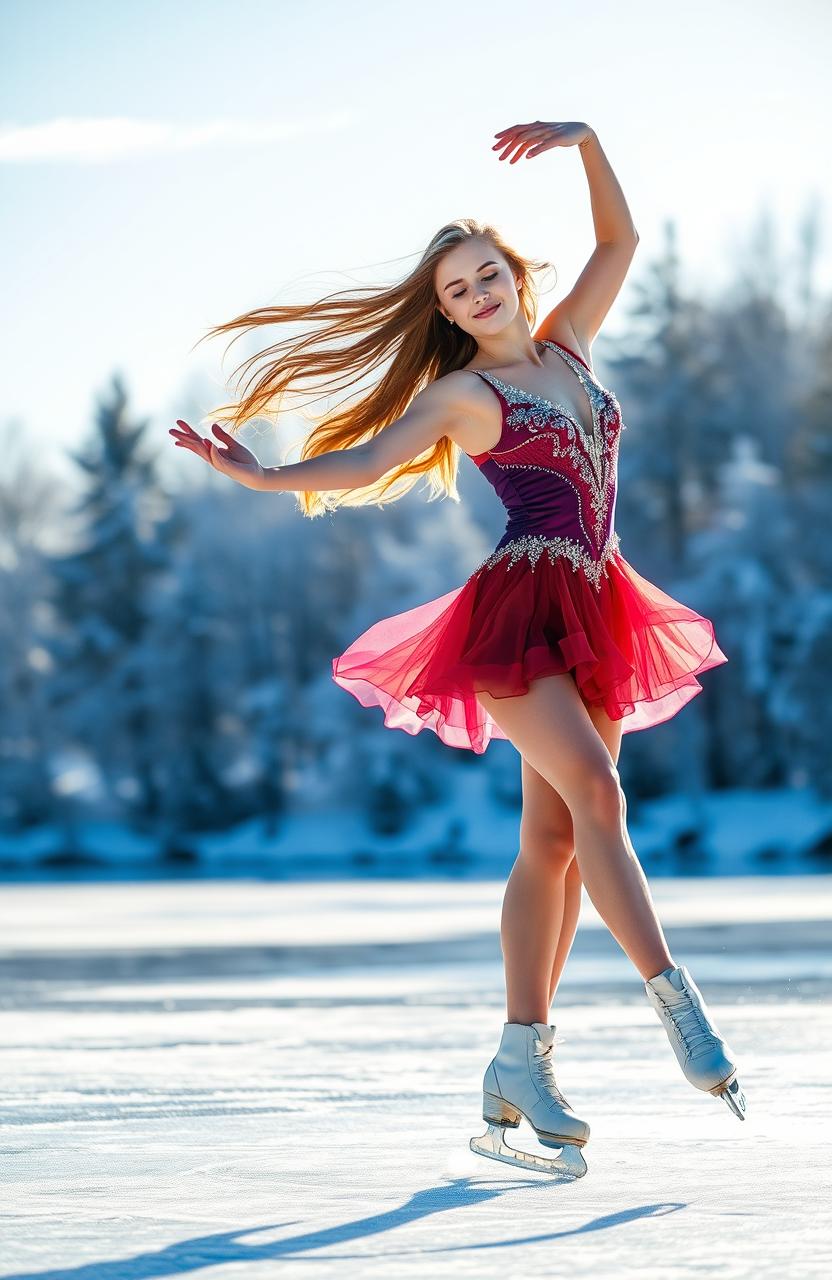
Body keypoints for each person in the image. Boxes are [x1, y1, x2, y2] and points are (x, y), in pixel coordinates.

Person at [170, 119, 747, 1180]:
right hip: (517, 611)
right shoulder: (461, 396)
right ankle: (678, 1005)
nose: (477, 294)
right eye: (454, 291)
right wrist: (263, 479)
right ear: (443, 313)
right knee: (597, 793)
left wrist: (585, 143)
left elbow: (619, 243)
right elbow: (364, 460)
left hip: (598, 603)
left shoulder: (570, 344)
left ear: (515, 277)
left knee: (555, 839)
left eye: (487, 275)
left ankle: (518, 1056)